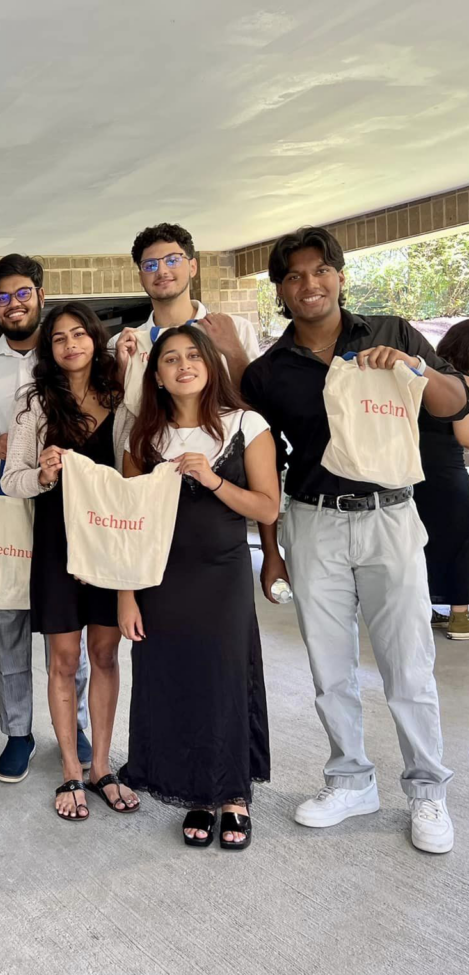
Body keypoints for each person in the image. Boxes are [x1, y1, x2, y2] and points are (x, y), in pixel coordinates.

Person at [243, 226, 466, 855]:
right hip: (312, 521)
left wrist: (415, 368)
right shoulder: (267, 373)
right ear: (281, 291)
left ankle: (427, 790)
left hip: (391, 516)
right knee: (329, 665)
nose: (308, 284)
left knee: (408, 663)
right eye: (293, 276)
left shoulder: (392, 333)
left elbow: (454, 404)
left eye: (320, 271)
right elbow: (267, 464)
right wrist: (274, 549)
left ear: (339, 276)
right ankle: (350, 780)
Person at [116, 326, 277, 848]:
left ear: (210, 364)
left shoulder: (247, 425)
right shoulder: (143, 437)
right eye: (169, 359)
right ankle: (196, 795)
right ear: (156, 376)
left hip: (222, 576)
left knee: (224, 677)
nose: (182, 365)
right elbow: (126, 524)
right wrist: (126, 594)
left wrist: (213, 480)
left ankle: (232, 794)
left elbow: (267, 508)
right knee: (171, 680)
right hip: (159, 582)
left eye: (192, 356)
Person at [1, 303, 138, 820]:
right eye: (59, 339)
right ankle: (70, 773)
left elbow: (140, 466)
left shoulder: (122, 396)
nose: (70, 345)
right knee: (63, 661)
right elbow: (11, 481)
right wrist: (42, 473)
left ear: (94, 340)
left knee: (105, 657)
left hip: (110, 544)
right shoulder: (34, 404)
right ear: (48, 351)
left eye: (79, 334)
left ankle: (101, 767)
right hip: (58, 544)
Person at [0, 255, 93, 783]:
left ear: (40, 294)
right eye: (3, 297)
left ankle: (78, 724)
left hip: (63, 507)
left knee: (68, 626)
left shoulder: (72, 353)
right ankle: (18, 732)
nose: (14, 304)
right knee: (6, 626)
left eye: (22, 293)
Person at [111, 223, 261, 388]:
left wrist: (233, 351)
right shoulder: (122, 345)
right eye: (150, 265)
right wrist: (121, 373)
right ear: (141, 278)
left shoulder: (237, 329)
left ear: (192, 267)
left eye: (173, 260)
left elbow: (256, 402)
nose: (162, 271)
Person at [415, 319, 469, 639]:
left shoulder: (428, 380)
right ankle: (461, 617)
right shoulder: (462, 382)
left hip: (416, 478)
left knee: (428, 542)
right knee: (464, 541)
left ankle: (431, 607)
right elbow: (464, 436)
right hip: (449, 478)